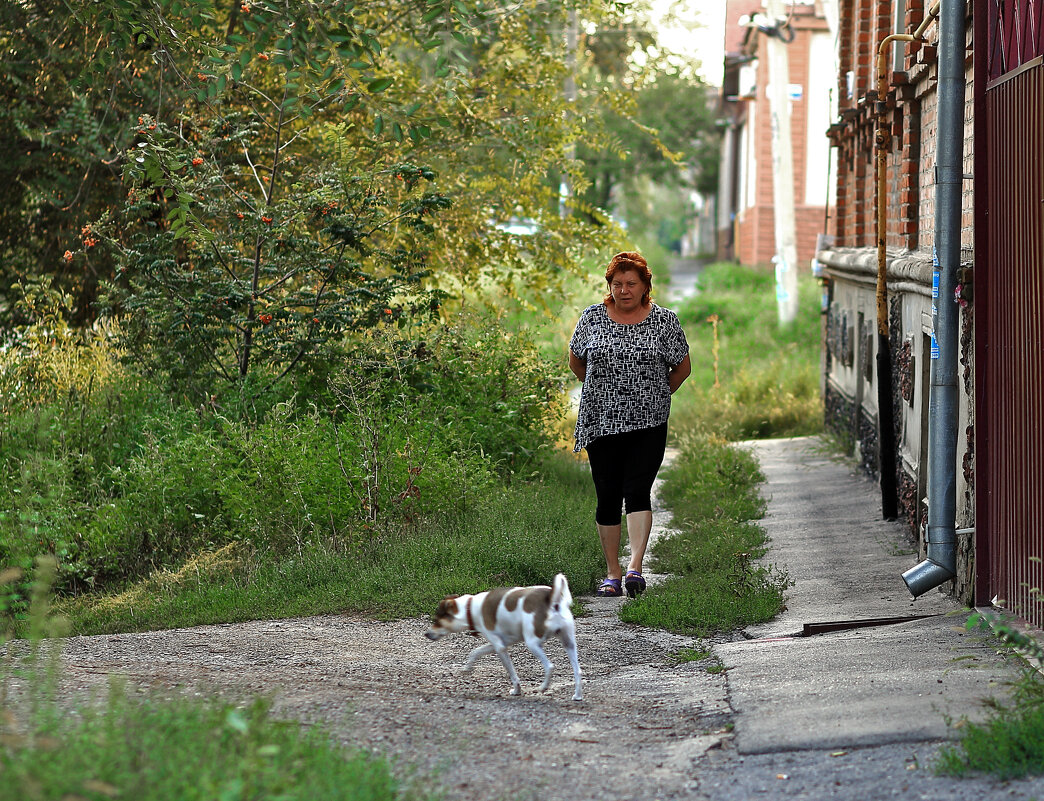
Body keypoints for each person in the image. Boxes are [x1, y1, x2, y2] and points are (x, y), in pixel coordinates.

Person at [568, 251, 691, 597]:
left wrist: (656, 395)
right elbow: (577, 363)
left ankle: (635, 567)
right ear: (609, 285)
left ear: (644, 286)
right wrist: (602, 391)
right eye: (617, 283)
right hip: (600, 420)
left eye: (631, 283)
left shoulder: (664, 322)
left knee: (637, 491)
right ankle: (612, 572)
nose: (623, 290)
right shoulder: (592, 318)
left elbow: (682, 367)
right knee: (607, 495)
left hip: (648, 422)